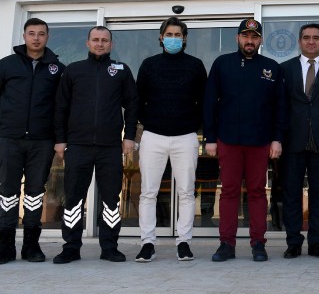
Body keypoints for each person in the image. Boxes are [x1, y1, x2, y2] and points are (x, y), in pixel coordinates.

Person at [52, 26, 138, 264]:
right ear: (87, 43)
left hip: (110, 147)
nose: (100, 44)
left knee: (111, 200)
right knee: (73, 199)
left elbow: (132, 104)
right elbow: (60, 107)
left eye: (104, 40)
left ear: (111, 44)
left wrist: (129, 136)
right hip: (78, 145)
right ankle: (71, 247)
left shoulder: (121, 70)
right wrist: (60, 139)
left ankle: (109, 247)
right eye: (96, 39)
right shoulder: (73, 70)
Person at [204, 18, 286, 262]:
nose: (250, 41)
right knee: (228, 191)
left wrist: (277, 139)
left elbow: (280, 108)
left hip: (260, 141)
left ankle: (258, 244)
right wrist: (210, 138)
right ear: (237, 38)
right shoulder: (222, 64)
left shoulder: (271, 67)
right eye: (245, 36)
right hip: (228, 139)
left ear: (260, 40)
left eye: (254, 37)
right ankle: (226, 244)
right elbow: (210, 102)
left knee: (258, 192)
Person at [134, 17, 207, 262]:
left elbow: (204, 102)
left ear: (184, 39)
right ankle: (147, 243)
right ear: (161, 37)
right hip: (153, 136)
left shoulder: (195, 65)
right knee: (148, 192)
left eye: (178, 35)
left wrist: (194, 125)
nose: (173, 38)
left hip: (185, 137)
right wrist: (148, 122)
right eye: (169, 34)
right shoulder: (149, 65)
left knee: (187, 192)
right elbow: (138, 100)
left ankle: (184, 242)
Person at [0, 18, 65, 264]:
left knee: (35, 192)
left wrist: (59, 139)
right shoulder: (7, 65)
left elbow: (61, 108)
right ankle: (5, 246)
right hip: (9, 139)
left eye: (41, 33)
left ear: (47, 37)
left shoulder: (57, 69)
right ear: (24, 36)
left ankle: (31, 246)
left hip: (42, 141)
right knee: (7, 192)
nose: (36, 38)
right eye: (31, 33)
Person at [280, 23, 319, 259]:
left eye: (316, 37)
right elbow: (279, 106)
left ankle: (316, 242)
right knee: (291, 194)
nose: (311, 41)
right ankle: (293, 242)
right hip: (292, 141)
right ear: (299, 42)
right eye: (306, 37)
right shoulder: (285, 69)